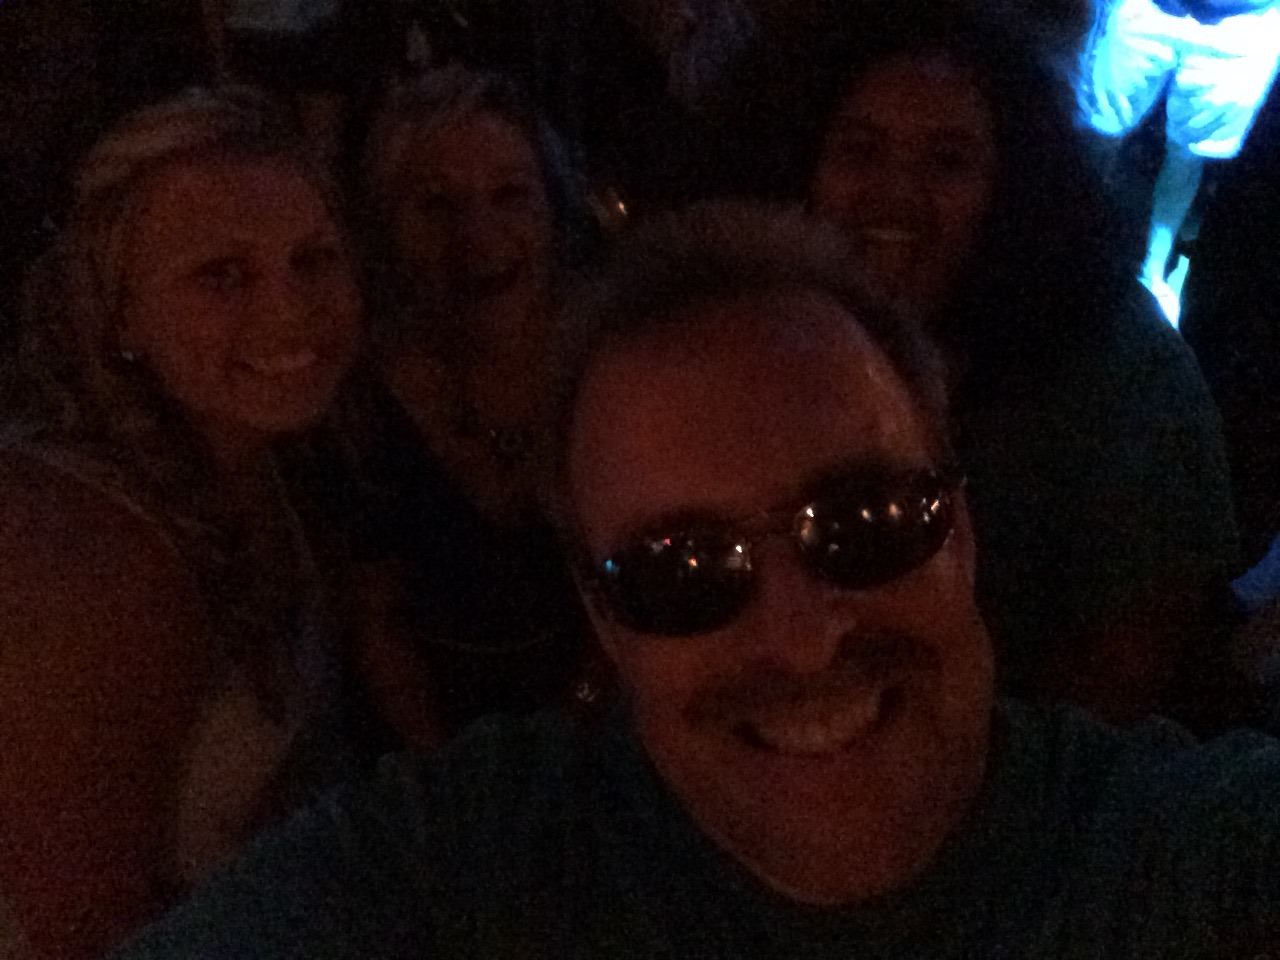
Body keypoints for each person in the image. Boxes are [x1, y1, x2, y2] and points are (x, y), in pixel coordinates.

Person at [111, 205, 1280, 959]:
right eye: (681, 572)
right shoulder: (468, 870)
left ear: (959, 533)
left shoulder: (1174, 859)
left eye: (863, 523)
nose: (803, 636)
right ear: (604, 620)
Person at [0, 88, 366, 960]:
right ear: (119, 313)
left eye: (314, 258)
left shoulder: (277, 459)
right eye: (222, 275)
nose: (291, 311)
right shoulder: (80, 560)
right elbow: (86, 936)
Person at [806, 8, 1243, 729]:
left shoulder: (1117, 369)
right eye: (860, 151)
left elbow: (1128, 669)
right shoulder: (764, 344)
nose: (895, 194)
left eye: (947, 161)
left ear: (1013, 186)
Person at [315, 68, 595, 743]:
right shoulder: (356, 395)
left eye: (511, 195)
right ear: (385, 229)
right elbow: (375, 621)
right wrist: (454, 775)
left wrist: (576, 736)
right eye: (437, 205)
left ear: (554, 211)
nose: (479, 234)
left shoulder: (609, 366)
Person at [1077, 0, 1280, 326]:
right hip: (1149, 6)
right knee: (1098, 130)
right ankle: (1064, 230)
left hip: (1248, 20)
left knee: (1188, 154)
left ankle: (1152, 272)